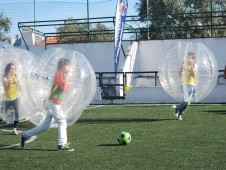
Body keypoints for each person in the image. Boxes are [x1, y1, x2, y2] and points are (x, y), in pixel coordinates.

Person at [20, 58, 74, 151]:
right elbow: (64, 86)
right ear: (63, 65)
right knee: (62, 122)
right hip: (53, 103)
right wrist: (68, 78)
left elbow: (66, 88)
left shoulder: (62, 75)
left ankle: (25, 135)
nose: (69, 67)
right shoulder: (58, 73)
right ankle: (61, 145)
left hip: (53, 103)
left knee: (45, 126)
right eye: (68, 65)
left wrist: (67, 79)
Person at [175, 52, 197, 120]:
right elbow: (179, 74)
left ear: (193, 59)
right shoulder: (184, 65)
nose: (190, 59)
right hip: (184, 84)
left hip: (191, 85)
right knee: (185, 100)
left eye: (191, 58)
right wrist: (182, 68)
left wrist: (192, 68)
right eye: (188, 58)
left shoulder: (195, 65)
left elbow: (194, 76)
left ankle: (180, 113)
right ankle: (177, 109)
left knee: (188, 103)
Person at [2, 63, 21, 135]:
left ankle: (14, 129)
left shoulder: (15, 76)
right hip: (7, 99)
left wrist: (19, 83)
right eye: (11, 68)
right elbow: (7, 91)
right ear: (7, 69)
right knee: (2, 114)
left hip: (15, 98)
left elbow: (19, 88)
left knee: (17, 113)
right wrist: (9, 83)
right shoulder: (5, 78)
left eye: (14, 69)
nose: (13, 70)